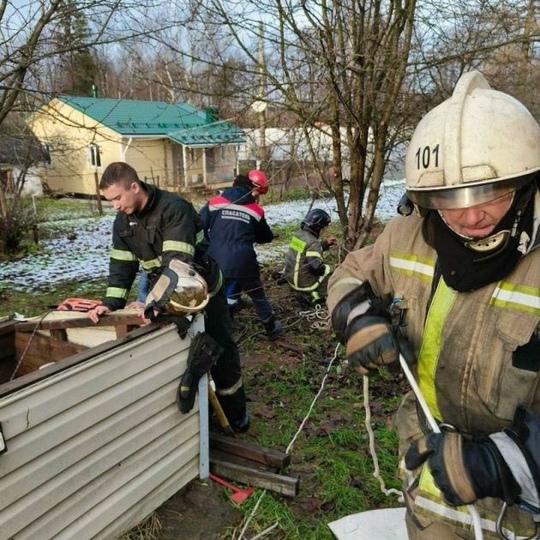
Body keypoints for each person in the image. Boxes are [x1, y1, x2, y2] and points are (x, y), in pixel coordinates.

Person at [327, 71, 540, 539]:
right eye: (448, 198)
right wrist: (357, 316)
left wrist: (506, 462)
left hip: (525, 512)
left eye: (489, 193)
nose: (468, 215)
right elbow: (350, 274)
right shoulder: (410, 233)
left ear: (526, 184)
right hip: (430, 489)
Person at [86, 162, 250, 433]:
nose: (114, 205)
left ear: (134, 187)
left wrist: (153, 302)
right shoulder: (123, 221)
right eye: (110, 201)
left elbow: (178, 266)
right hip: (164, 293)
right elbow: (121, 267)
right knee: (180, 355)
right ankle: (196, 418)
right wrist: (110, 303)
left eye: (117, 198)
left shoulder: (174, 209)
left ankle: (236, 416)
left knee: (221, 352)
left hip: (203, 290)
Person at [200, 170, 283, 341]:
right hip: (244, 260)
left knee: (218, 293)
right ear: (252, 189)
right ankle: (271, 327)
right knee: (257, 294)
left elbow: (199, 226)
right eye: (257, 193)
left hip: (216, 259)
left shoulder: (213, 203)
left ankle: (221, 325)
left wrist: (211, 243)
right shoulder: (255, 210)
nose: (257, 197)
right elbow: (265, 237)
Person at [283, 208, 336, 306]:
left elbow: (304, 251)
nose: (323, 231)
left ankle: (305, 292)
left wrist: (324, 244)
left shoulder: (299, 234)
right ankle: (318, 295)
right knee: (329, 270)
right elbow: (316, 269)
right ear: (318, 227)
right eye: (323, 228)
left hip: (290, 278)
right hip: (303, 284)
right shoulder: (313, 243)